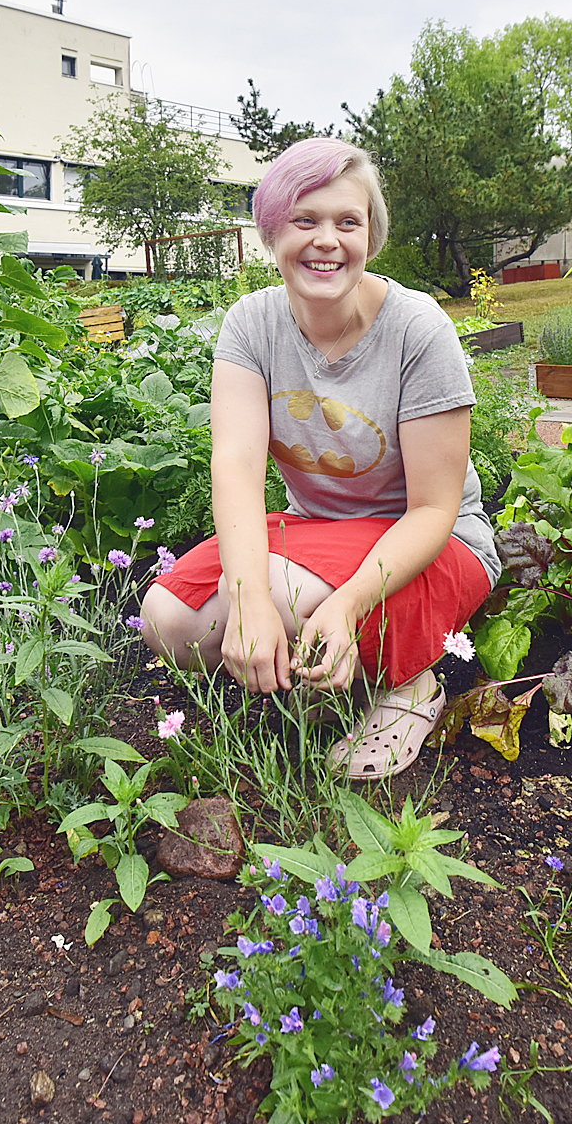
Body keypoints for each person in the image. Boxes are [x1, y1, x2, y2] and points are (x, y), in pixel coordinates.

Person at [138, 137, 500, 779]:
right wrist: (245, 599)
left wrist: (348, 601)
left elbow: (435, 507)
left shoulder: (419, 330)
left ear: (371, 235)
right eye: (305, 220)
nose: (326, 240)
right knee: (168, 621)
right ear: (273, 231)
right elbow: (238, 466)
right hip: (318, 533)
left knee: (286, 598)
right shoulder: (252, 325)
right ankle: (317, 669)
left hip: (433, 541)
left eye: (346, 222)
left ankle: (410, 687)